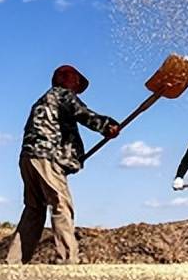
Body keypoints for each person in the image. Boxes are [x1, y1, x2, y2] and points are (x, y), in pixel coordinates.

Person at [7, 65, 119, 265]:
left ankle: (14, 261)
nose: (77, 88)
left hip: (28, 158)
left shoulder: (41, 102)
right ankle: (67, 259)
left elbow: (63, 131)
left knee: (34, 209)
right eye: (76, 82)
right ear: (66, 79)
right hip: (46, 158)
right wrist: (107, 126)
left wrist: (72, 159)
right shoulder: (62, 95)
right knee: (61, 205)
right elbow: (83, 113)